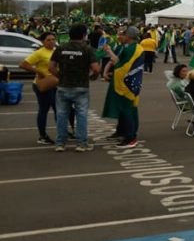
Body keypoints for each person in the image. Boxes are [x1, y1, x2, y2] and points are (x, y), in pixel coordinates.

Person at [49, 24, 100, 152]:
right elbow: (96, 69)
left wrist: (60, 76)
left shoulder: (61, 48)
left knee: (61, 115)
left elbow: (51, 67)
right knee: (81, 116)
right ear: (83, 35)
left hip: (63, 86)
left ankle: (60, 143)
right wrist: (93, 77)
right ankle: (81, 144)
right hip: (81, 87)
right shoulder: (87, 49)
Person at [102, 26, 144, 148]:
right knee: (127, 109)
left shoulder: (131, 48)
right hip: (131, 82)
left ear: (129, 36)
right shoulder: (132, 47)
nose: (121, 36)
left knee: (127, 111)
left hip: (126, 84)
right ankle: (125, 133)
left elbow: (120, 64)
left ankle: (131, 137)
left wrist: (109, 51)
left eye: (123, 34)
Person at [19, 31, 58, 145]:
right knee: (44, 109)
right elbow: (23, 65)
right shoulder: (40, 53)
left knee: (58, 108)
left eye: (53, 39)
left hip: (54, 83)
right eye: (48, 40)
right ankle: (42, 136)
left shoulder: (56, 51)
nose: (51, 42)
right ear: (43, 41)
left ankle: (62, 132)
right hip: (42, 84)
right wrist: (39, 71)